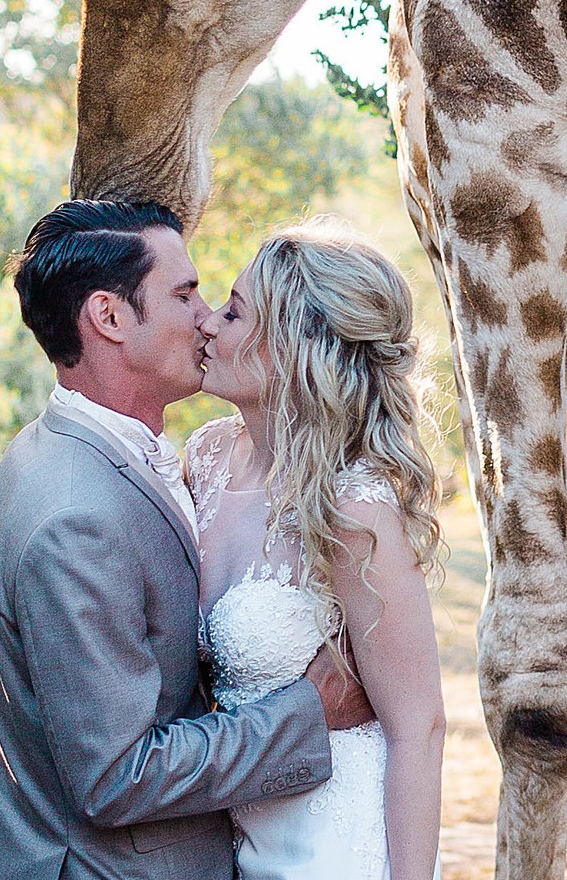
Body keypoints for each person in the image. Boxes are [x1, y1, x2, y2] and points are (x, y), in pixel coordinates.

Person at [0, 198, 374, 879]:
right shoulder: (77, 516)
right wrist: (307, 712)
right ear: (109, 317)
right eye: (183, 293)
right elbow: (116, 775)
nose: (206, 315)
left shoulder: (93, 453)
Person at [187, 217, 449, 880]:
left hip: (337, 844)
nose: (208, 325)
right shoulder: (206, 458)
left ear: (288, 346)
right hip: (233, 836)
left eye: (234, 311)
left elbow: (418, 728)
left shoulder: (354, 509)